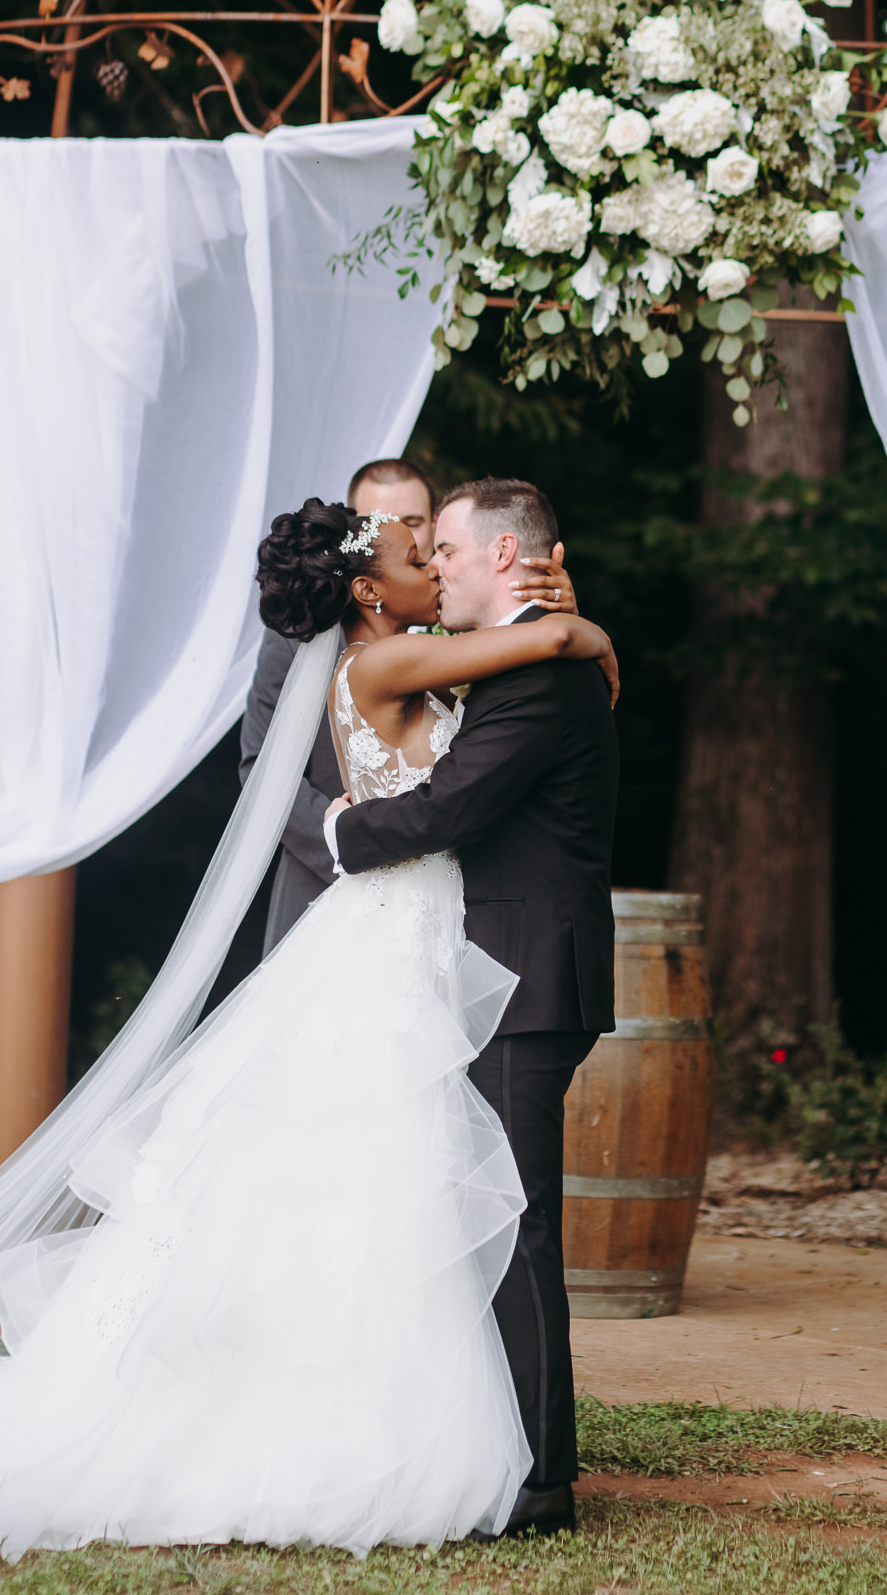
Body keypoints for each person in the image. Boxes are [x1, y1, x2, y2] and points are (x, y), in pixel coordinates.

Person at [0, 499, 617, 1561]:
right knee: (374, 1189)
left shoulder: (430, 654)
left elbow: (531, 658)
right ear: (367, 590)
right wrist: (574, 631)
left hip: (431, 943)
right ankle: (434, 1445)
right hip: (389, 926)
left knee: (403, 1192)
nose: (431, 562)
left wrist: (580, 630)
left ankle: (456, 1433)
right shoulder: (379, 669)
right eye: (414, 554)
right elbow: (526, 676)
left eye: (442, 547)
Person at [326, 479, 620, 1541]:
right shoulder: (536, 655)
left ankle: (539, 1477)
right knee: (490, 1208)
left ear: (503, 554)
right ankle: (503, 1439)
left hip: (527, 971)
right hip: (511, 963)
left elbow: (453, 807)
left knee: (518, 1218)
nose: (435, 564)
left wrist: (338, 832)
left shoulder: (540, 674)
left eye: (445, 548)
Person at [240, 458, 578, 953]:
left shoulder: (460, 624)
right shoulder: (311, 646)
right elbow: (262, 772)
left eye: (416, 533)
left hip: (453, 901)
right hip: (338, 886)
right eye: (367, 521)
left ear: (432, 523)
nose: (429, 567)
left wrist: (550, 613)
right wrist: (348, 845)